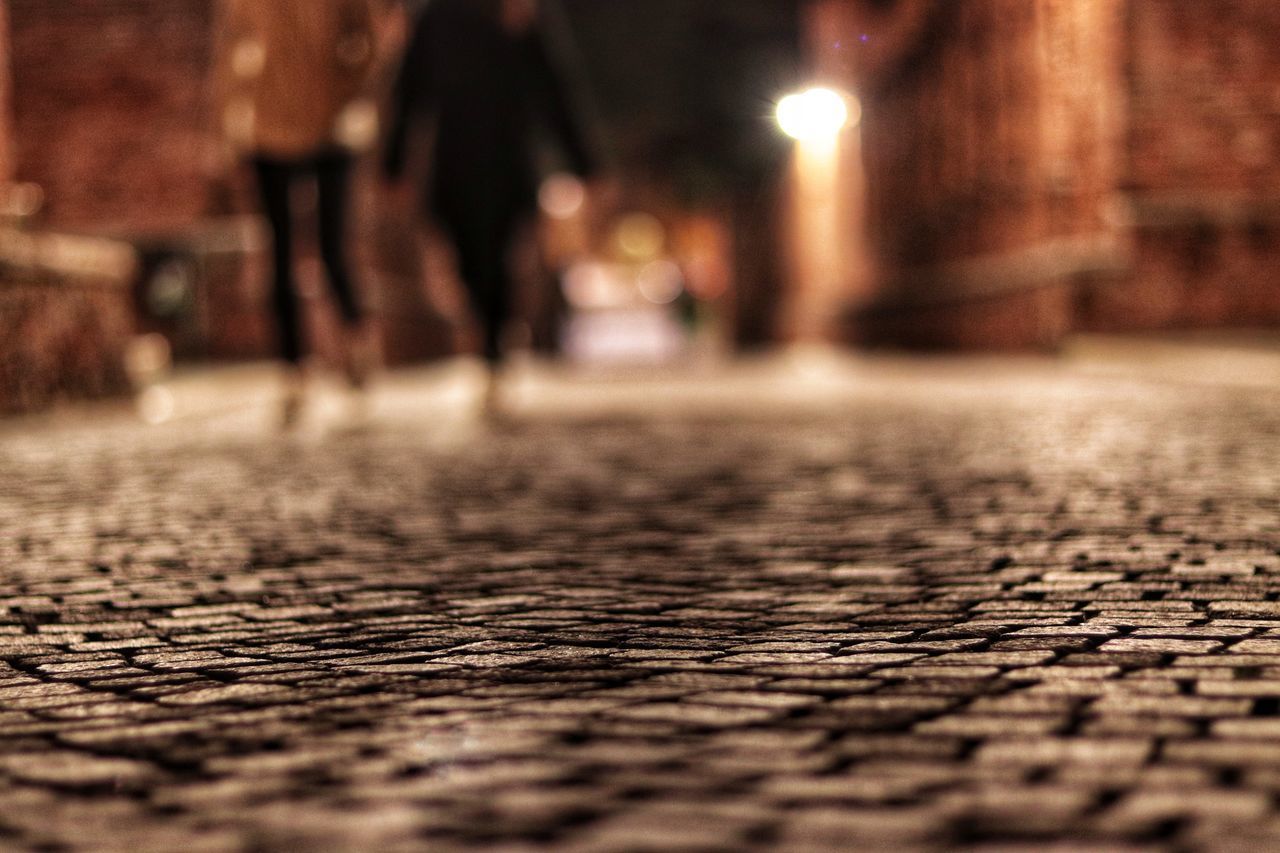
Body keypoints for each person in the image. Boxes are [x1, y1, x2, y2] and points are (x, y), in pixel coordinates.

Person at [383, 0, 597, 416]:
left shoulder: (518, 12)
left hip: (507, 157)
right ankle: (486, 333)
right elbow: (410, 88)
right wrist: (394, 162)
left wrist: (584, 160)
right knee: (465, 253)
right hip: (455, 157)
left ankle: (493, 349)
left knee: (497, 254)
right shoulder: (436, 16)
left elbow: (552, 86)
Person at [219, 0, 381, 427]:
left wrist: (348, 87)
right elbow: (231, 47)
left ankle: (357, 342)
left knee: (333, 244)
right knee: (280, 249)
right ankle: (293, 368)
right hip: (268, 127)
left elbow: (371, 42)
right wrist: (230, 119)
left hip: (332, 127)